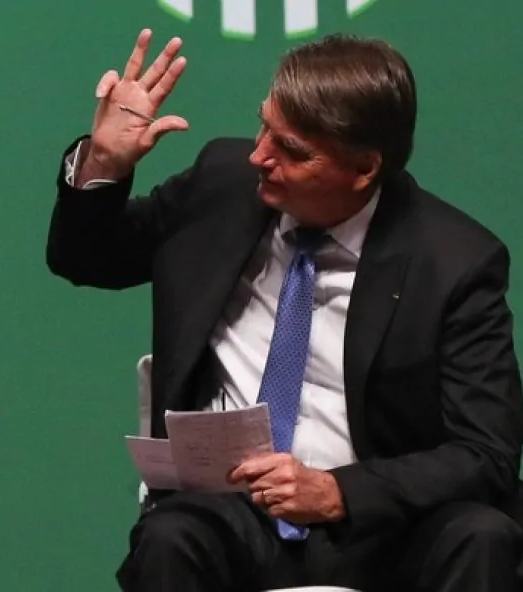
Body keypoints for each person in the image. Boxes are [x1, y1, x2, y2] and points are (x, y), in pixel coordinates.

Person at [46, 28, 523, 591]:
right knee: (169, 539)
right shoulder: (224, 185)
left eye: (291, 150)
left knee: (482, 536)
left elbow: (486, 453)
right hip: (231, 513)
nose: (260, 156)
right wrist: (103, 163)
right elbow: (87, 258)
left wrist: (339, 491)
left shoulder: (453, 262)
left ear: (365, 168)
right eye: (263, 126)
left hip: (382, 524)